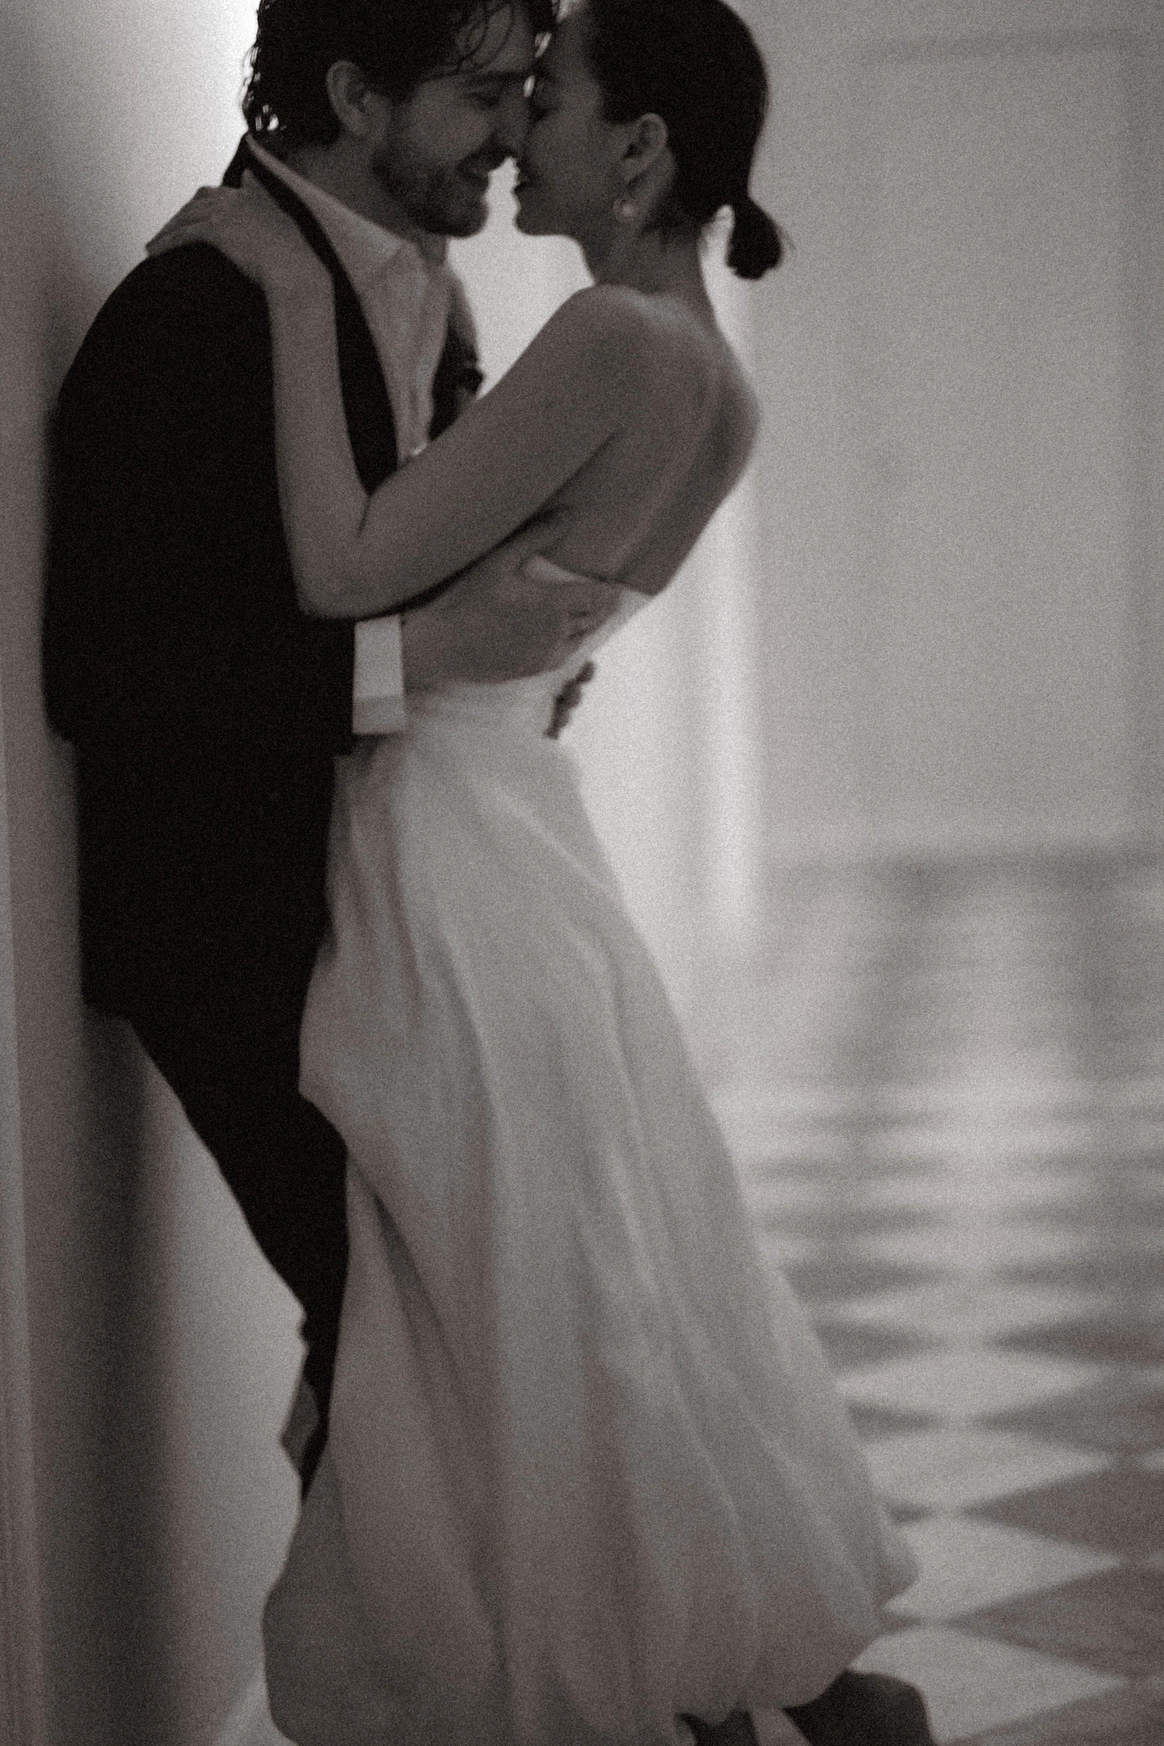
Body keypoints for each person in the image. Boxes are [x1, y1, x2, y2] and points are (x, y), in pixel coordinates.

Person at [149, 0, 941, 1741]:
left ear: (639, 146)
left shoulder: (605, 338)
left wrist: (288, 294)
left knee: (485, 1304)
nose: (517, 130)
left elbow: (345, 562)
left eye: (550, 97)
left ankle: (647, 1677)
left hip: (442, 848)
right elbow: (528, 615)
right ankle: (758, 1681)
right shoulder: (720, 380)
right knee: (582, 1286)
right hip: (524, 836)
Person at [41, 0, 617, 1492]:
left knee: (432, 1322)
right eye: (483, 96)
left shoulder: (424, 291)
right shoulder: (192, 312)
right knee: (401, 1322)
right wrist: (417, 662)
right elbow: (108, 670)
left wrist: (495, 662)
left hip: (401, 899)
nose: (512, 133)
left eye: (526, 94)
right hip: (240, 933)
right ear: (356, 95)